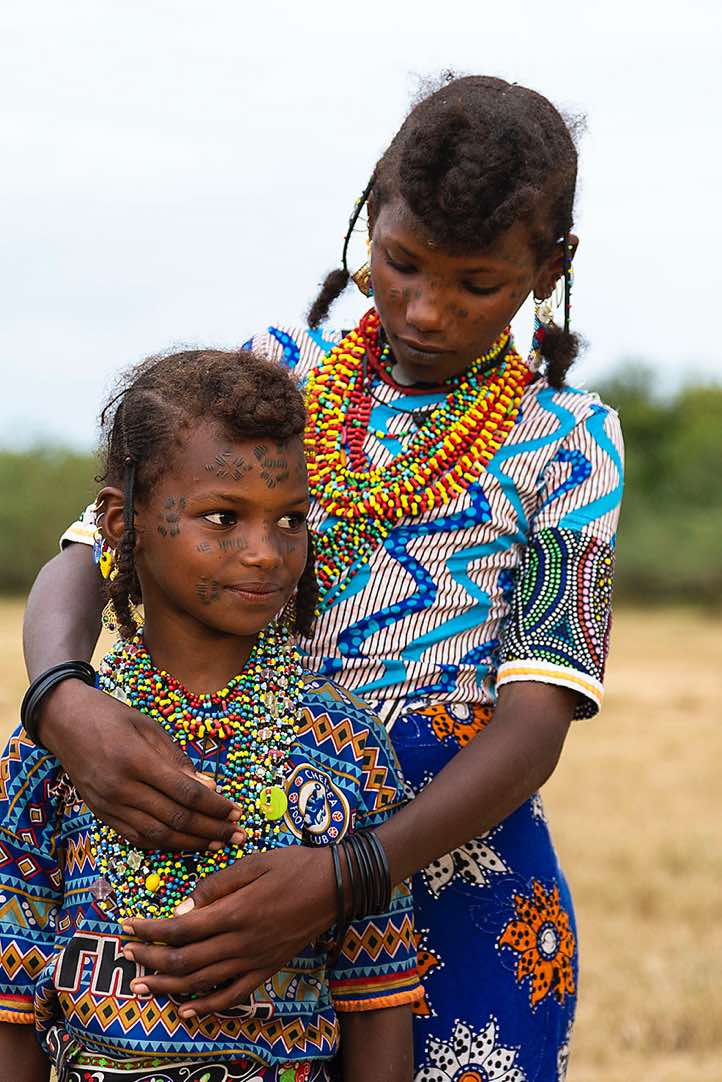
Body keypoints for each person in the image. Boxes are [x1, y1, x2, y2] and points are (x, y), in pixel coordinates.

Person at [22, 75, 624, 1080]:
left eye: (475, 283)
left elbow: (535, 723)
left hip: (444, 859)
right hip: (227, 826)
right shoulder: (266, 373)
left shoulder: (571, 441)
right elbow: (90, 552)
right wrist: (60, 699)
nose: (425, 309)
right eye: (399, 263)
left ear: (547, 268)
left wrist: (348, 872)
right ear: (367, 218)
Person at [0, 349, 420, 1082]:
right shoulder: (59, 746)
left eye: (291, 520)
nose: (265, 553)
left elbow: (377, 1005)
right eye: (222, 517)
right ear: (120, 523)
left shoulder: (346, 746)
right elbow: (10, 1008)